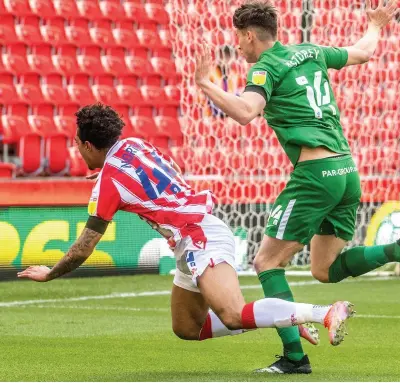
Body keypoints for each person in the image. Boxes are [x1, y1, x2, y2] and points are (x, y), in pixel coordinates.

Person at [194, 0, 400, 374]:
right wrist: (375, 25)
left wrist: (203, 84)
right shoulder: (309, 51)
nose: (237, 46)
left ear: (248, 35)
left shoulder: (265, 69)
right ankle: (399, 248)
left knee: (266, 263)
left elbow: (246, 112)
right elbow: (362, 52)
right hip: (345, 170)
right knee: (324, 270)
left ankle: (295, 358)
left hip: (314, 177)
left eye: (238, 38)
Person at [18, 103, 355, 364]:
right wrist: (110, 180)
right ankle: (283, 315)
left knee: (233, 313)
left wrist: (51, 273)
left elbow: (83, 248)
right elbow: (165, 173)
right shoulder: (135, 145)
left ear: (88, 144)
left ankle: (324, 312)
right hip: (187, 238)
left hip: (199, 235)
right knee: (186, 327)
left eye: (77, 144)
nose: (77, 149)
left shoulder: (110, 181)